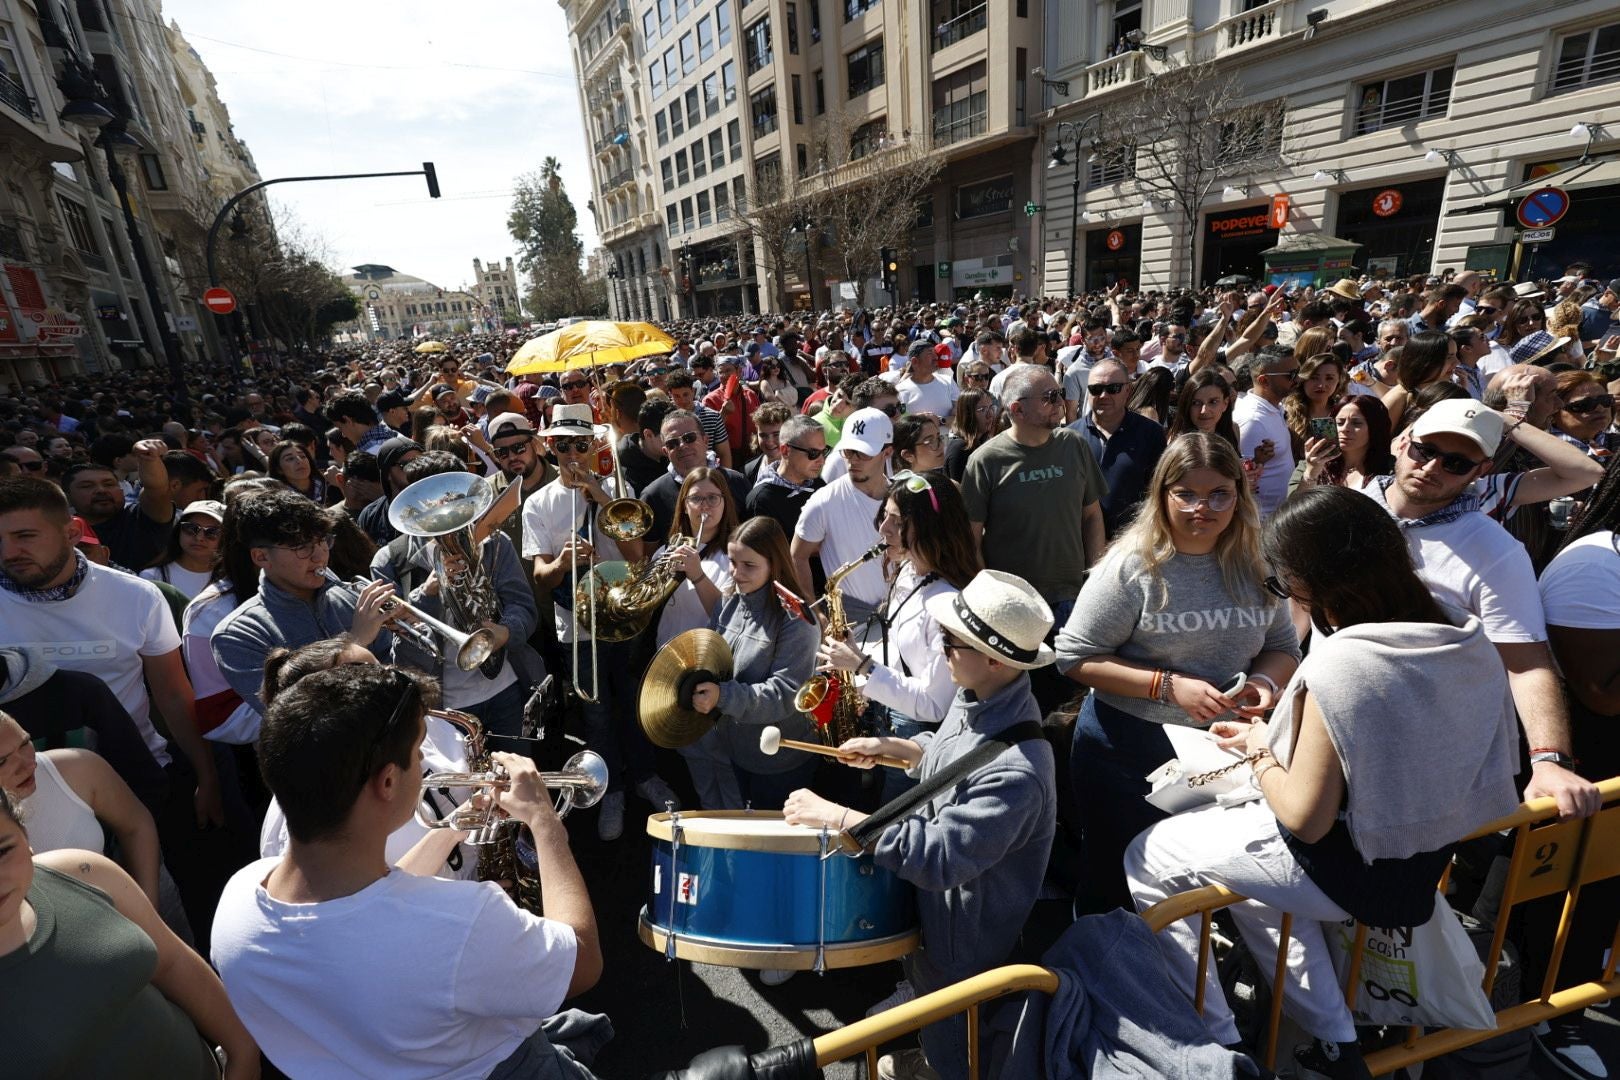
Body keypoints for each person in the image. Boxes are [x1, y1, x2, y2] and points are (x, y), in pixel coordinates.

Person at [1127, 485, 1519, 1079]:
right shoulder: (1460, 631)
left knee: (1146, 855)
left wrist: (1262, 749)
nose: (1287, 597)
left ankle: (1212, 1037)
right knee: (1250, 883)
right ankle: (1336, 1041)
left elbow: (1305, 818)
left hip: (1347, 870)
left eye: (1285, 584)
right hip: (1420, 859)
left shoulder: (1344, 663)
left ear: (1315, 579)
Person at [211, 664, 602, 1079]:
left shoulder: (237, 901)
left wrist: (455, 826)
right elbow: (583, 959)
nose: (423, 763)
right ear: (388, 782)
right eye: (419, 754)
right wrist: (545, 822)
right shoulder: (463, 919)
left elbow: (378, 904)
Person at [783, 569, 1057, 1080]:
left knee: (958, 1037)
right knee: (936, 1020)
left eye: (951, 641)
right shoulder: (978, 694)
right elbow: (954, 758)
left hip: (967, 945)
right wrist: (896, 750)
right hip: (938, 924)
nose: (941, 647)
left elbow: (941, 857)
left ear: (995, 660)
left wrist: (842, 818)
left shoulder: (1020, 774)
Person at [1057, 432, 1300, 910]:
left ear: (1239, 495)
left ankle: (1186, 979)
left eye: (1218, 494)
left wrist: (1263, 683)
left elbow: (1283, 646)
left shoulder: (1258, 564)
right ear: (1162, 495)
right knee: (1117, 886)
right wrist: (1167, 687)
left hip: (1221, 756)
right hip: (1128, 752)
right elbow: (1075, 656)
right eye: (1185, 493)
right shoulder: (1131, 567)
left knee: (1200, 888)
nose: (1201, 508)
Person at [1364, 398, 1600, 819]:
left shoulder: (1495, 551)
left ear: (1481, 472)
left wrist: (1549, 760)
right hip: (1335, 725)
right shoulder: (1350, 509)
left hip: (1431, 752)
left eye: (1456, 463)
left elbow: (1527, 662)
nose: (1432, 467)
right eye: (1426, 450)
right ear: (1403, 443)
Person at [0, 477, 223, 823]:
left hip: (136, 775)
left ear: (72, 531)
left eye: (25, 536)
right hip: (19, 789)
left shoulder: (137, 596)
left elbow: (174, 695)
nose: (9, 553)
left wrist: (207, 778)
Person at [0, 790, 260, 1079]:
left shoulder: (82, 872)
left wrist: (243, 1053)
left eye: (2, 851)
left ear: (25, 836)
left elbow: (174, 961)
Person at [521, 403, 674, 842]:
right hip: (577, 628)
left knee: (633, 703)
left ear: (593, 446)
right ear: (549, 447)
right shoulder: (539, 504)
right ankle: (613, 790)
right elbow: (541, 577)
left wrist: (604, 502)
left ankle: (646, 776)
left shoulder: (615, 491)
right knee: (597, 715)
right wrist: (564, 562)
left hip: (622, 620)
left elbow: (638, 559)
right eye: (563, 444)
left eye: (580, 444)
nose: (572, 453)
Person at [816, 471, 977, 804]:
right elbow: (904, 652)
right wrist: (859, 678)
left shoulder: (945, 604)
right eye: (884, 516)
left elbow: (934, 706)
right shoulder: (908, 570)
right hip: (886, 717)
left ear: (931, 528)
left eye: (897, 522)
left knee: (893, 829)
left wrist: (861, 666)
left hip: (916, 736)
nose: (882, 530)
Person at [1534, 457, 1620, 1075]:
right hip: (1588, 773)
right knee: (1576, 908)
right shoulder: (1596, 563)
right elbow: (1603, 692)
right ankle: (1554, 1019)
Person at [370, 452, 540, 740]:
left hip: (505, 687)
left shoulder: (495, 543)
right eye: (434, 503)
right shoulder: (390, 562)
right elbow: (399, 655)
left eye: (453, 499)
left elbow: (523, 606)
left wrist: (505, 632)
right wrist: (427, 594)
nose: (445, 510)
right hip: (443, 706)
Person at [210, 487, 397, 717]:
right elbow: (293, 715)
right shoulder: (237, 635)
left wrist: (419, 613)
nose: (319, 556)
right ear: (261, 556)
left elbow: (403, 676)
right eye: (301, 547)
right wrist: (355, 642)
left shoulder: (349, 596)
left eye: (322, 541)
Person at [682, 515, 819, 811]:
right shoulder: (730, 600)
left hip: (780, 760)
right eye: (732, 562)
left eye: (749, 566)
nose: (735, 573)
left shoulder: (796, 620)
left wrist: (723, 696)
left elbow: (786, 695)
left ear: (775, 564)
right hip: (738, 749)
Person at [962, 364, 1106, 629]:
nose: (1060, 402)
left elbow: (1092, 515)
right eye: (1049, 397)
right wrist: (994, 599)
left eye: (1059, 393)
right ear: (1017, 410)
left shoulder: (1074, 445)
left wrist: (1096, 579)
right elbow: (971, 542)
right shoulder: (985, 461)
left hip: (1074, 598)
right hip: (1017, 608)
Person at [792, 407, 894, 628]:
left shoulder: (902, 497)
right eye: (848, 451)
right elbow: (797, 556)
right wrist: (814, 610)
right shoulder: (824, 501)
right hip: (850, 622)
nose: (853, 461)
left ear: (887, 452)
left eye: (863, 453)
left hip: (900, 614)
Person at [1072, 358, 1167, 539]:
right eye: (1096, 389)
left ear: (1128, 390)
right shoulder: (1071, 436)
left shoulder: (1151, 433)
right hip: (1080, 543)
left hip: (1133, 542)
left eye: (1113, 389)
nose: (1104, 395)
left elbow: (1159, 490)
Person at [60, 441, 176, 570]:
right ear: (67, 497)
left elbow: (157, 489)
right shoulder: (60, 534)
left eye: (109, 484)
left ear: (121, 490)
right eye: (87, 486)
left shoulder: (141, 517)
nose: (101, 490)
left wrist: (148, 457)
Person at [639, 409, 751, 541]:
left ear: (705, 441)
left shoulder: (737, 481)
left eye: (689, 438)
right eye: (672, 443)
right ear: (665, 451)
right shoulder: (653, 496)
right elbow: (650, 554)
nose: (682, 445)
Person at [1233, 345, 1299, 519]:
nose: (1297, 379)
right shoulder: (1252, 421)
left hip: (1280, 515)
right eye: (1291, 375)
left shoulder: (1274, 407)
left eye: (1297, 372)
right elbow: (1244, 481)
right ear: (1264, 381)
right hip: (1263, 521)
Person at [1292, 394, 1395, 494]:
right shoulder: (1310, 465)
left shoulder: (1391, 468)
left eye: (1356, 423)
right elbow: (1293, 507)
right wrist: (1311, 473)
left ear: (1375, 428)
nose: (1345, 429)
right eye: (1340, 423)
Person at [745, 413, 827, 536]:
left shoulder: (820, 487)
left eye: (824, 452)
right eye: (813, 453)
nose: (821, 461)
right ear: (786, 451)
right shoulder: (761, 500)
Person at [141, 499, 225, 600]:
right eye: (191, 528)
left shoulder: (231, 581)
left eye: (212, 532)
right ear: (178, 531)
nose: (199, 538)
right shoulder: (152, 577)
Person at [1167, 369, 1240, 451]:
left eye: (1213, 402)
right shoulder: (1179, 446)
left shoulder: (1233, 430)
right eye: (1196, 403)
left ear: (1225, 404)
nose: (1204, 410)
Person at [1550, 369, 1615, 459]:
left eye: (1605, 400)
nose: (1600, 408)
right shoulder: (1538, 456)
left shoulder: (1616, 442)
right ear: (1553, 412)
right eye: (1585, 404)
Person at [894, 340, 959, 419]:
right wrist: (924, 421)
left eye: (935, 353)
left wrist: (954, 412)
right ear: (915, 361)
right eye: (930, 353)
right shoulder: (900, 391)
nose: (936, 357)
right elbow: (902, 418)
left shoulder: (948, 381)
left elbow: (959, 408)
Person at [943, 388, 997, 481]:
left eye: (991, 407)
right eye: (983, 410)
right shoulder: (960, 448)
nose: (990, 414)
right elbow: (961, 492)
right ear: (968, 414)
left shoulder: (984, 440)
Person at [742, 400, 792, 486]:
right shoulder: (748, 471)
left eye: (776, 434)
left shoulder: (803, 468)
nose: (769, 442)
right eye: (763, 435)